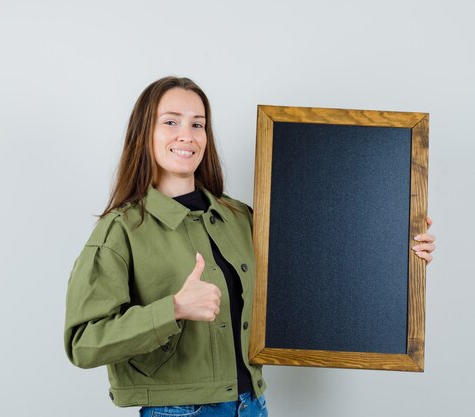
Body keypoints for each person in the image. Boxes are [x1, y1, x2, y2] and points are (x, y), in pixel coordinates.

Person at [63, 76, 436, 416]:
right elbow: (83, 344)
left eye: (198, 124)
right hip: (177, 411)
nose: (187, 135)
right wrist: (173, 309)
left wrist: (399, 251)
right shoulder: (121, 230)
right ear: (145, 132)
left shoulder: (238, 217)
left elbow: (315, 270)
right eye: (171, 121)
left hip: (252, 405)